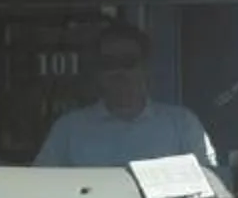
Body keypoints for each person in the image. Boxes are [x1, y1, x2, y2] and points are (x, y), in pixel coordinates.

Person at [34, 22, 220, 171]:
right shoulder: (69, 129)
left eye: (128, 62)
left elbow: (209, 181)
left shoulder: (182, 124)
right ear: (98, 72)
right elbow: (41, 185)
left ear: (146, 68)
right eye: (109, 63)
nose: (119, 72)